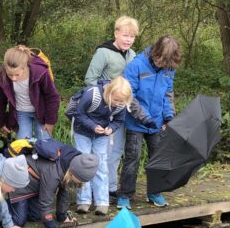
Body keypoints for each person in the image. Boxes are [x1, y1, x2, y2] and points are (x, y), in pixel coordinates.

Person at [117, 36, 182, 209]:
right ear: (156, 52)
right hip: (136, 122)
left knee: (158, 158)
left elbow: (168, 93)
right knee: (133, 158)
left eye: (167, 64)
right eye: (161, 62)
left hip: (158, 122)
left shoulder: (169, 68)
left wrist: (169, 117)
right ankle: (125, 195)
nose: (163, 66)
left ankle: (154, 193)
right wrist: (145, 118)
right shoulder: (136, 65)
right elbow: (128, 96)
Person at [84, 16, 139, 203]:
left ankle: (111, 186)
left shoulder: (133, 55)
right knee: (103, 150)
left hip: (123, 110)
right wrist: (107, 93)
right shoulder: (103, 52)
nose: (128, 39)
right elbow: (90, 80)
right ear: (116, 33)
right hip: (104, 110)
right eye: (125, 35)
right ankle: (96, 188)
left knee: (117, 150)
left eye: (132, 36)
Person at [8, 149, 99, 228]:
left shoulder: (70, 163)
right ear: (74, 173)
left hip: (36, 185)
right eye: (81, 180)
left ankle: (23, 205)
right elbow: (45, 207)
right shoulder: (54, 173)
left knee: (36, 216)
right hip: (20, 181)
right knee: (19, 221)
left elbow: (64, 191)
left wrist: (62, 217)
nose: (82, 183)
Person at [72, 77, 132, 216]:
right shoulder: (92, 94)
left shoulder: (121, 104)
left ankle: (102, 202)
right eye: (116, 100)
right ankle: (84, 200)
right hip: (82, 132)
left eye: (121, 101)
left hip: (101, 135)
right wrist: (93, 126)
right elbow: (78, 114)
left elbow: (118, 120)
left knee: (101, 166)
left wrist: (111, 129)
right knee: (83, 163)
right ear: (109, 92)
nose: (118, 104)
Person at [0, 46, 60, 140]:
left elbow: (52, 97)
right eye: (10, 75)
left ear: (24, 67)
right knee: (22, 144)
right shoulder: (3, 74)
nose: (13, 78)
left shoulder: (40, 72)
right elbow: (0, 100)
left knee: (44, 142)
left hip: (41, 112)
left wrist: (50, 122)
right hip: (21, 112)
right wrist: (0, 123)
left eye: (17, 74)